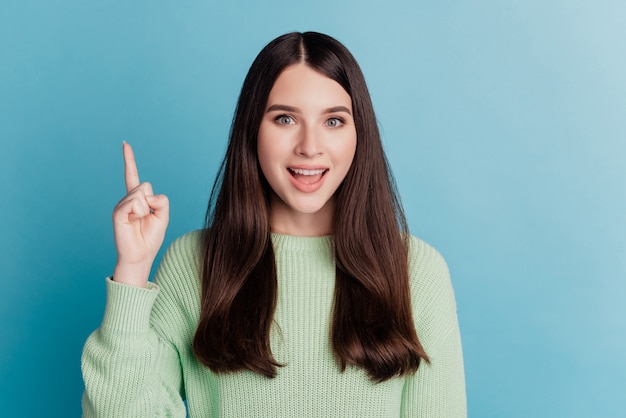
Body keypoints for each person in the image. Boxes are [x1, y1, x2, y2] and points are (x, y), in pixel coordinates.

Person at [81, 31, 466, 417]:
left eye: (333, 120)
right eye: (285, 118)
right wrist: (132, 271)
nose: (310, 146)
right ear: (253, 131)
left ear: (359, 134)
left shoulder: (417, 271)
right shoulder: (194, 262)